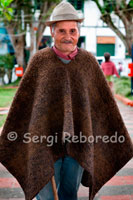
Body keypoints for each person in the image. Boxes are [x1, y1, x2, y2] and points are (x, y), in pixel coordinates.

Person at [0, 2, 133, 200]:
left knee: (70, 194)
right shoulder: (39, 61)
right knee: (46, 197)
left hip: (78, 146)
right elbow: (23, 106)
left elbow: (103, 107)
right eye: (62, 30)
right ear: (52, 32)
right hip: (43, 145)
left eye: (72, 30)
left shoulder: (89, 62)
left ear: (78, 33)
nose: (68, 36)